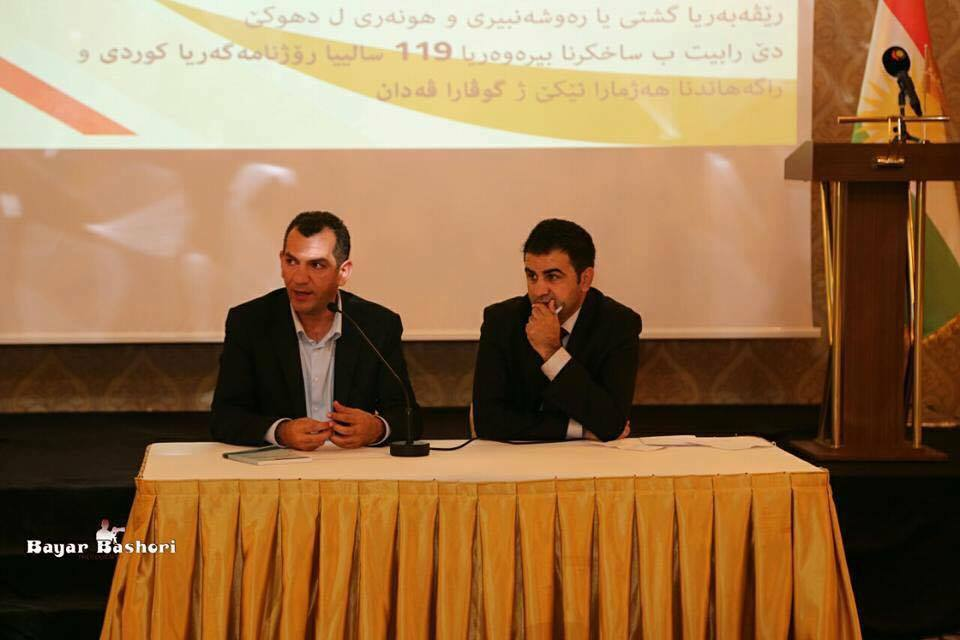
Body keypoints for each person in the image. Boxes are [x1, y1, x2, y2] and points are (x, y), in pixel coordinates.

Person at [211, 211, 420, 450]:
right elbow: (224, 417)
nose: (299, 278)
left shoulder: (377, 325)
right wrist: (280, 432)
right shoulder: (249, 322)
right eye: (291, 262)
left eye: (317, 265)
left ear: (343, 272)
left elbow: (408, 416)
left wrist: (377, 428)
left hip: (351, 463)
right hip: (281, 466)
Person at [472, 219, 641, 441]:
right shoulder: (501, 321)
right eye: (532, 276)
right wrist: (578, 430)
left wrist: (552, 352)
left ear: (585, 279)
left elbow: (612, 424)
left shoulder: (618, 324)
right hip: (515, 457)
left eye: (552, 277)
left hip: (589, 459)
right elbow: (487, 421)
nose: (539, 290)